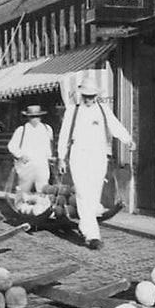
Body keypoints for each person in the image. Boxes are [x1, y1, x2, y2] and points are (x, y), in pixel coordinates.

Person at [57, 75, 136, 250]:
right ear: (81, 95)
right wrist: (61, 157)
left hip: (98, 157)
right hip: (79, 156)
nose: (89, 100)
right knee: (83, 194)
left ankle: (87, 223)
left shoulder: (103, 109)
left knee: (93, 195)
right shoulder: (73, 110)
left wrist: (128, 140)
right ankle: (91, 235)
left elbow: (115, 126)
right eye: (86, 96)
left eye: (92, 96)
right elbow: (64, 134)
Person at [7, 104, 54, 194]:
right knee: (24, 189)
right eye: (32, 117)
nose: (35, 119)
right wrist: (20, 156)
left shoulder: (47, 129)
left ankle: (42, 207)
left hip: (42, 164)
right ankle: (21, 206)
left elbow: (49, 145)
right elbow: (11, 146)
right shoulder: (22, 130)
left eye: (37, 116)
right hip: (27, 165)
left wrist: (50, 157)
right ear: (28, 117)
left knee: (43, 188)